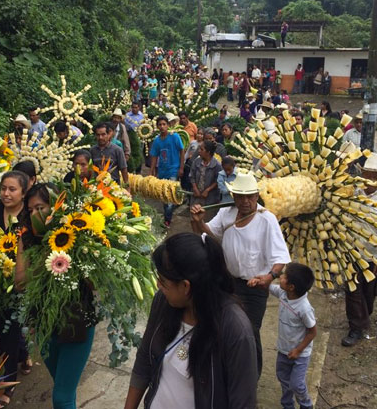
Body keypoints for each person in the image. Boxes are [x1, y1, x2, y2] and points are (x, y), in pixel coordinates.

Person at [124, 233, 258, 409]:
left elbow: (243, 403)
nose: (158, 285)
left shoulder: (235, 330)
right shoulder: (163, 303)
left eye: (163, 281)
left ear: (185, 286)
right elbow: (144, 361)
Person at [190, 171, 291, 376]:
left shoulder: (267, 219)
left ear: (256, 196)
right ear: (233, 196)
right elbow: (209, 235)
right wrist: (199, 222)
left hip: (254, 286)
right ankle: (229, 370)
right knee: (225, 327)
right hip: (228, 283)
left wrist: (270, 277)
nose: (245, 201)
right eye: (241, 196)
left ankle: (251, 375)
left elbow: (280, 256)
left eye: (250, 197)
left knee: (249, 332)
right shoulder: (226, 213)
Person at [16, 184, 97, 409]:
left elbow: (94, 283)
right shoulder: (26, 238)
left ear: (56, 207)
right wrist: (48, 259)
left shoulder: (78, 236)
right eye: (30, 210)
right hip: (43, 323)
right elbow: (20, 283)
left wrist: (72, 256)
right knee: (63, 386)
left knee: (62, 397)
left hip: (77, 322)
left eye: (40, 207)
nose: (35, 214)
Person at [0, 171, 32, 407]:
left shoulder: (29, 216)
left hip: (21, 284)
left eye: (12, 189)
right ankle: (24, 354)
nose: (6, 193)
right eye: (3, 188)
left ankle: (7, 384)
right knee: (1, 324)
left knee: (9, 333)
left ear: (24, 193)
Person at [249, 263, 316, 409]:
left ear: (291, 287)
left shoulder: (304, 308)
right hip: (283, 350)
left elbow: (312, 332)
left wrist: (298, 350)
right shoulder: (283, 294)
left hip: (300, 354)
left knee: (297, 384)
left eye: (284, 276)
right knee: (283, 378)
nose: (281, 277)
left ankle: (306, 404)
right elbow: (268, 286)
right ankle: (287, 404)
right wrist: (259, 281)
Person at [341, 153, 377, 347]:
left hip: (373, 255)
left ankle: (364, 318)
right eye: (367, 174)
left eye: (374, 175)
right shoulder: (353, 191)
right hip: (352, 250)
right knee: (353, 290)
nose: (369, 179)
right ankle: (355, 327)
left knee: (368, 292)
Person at [149, 116, 185, 227]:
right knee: (164, 195)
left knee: (169, 195)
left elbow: (182, 151)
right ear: (157, 126)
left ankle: (167, 219)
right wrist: (152, 171)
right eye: (160, 125)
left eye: (164, 124)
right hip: (162, 171)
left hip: (173, 170)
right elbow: (154, 156)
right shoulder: (157, 141)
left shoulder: (174, 136)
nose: (162, 126)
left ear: (168, 125)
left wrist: (181, 168)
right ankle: (168, 214)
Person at [189, 141, 222, 216]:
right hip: (196, 196)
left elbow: (218, 180)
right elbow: (191, 176)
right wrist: (195, 188)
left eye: (201, 149)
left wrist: (207, 190)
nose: (199, 151)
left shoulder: (217, 165)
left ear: (208, 152)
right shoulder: (196, 161)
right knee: (194, 217)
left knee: (208, 219)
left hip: (210, 198)